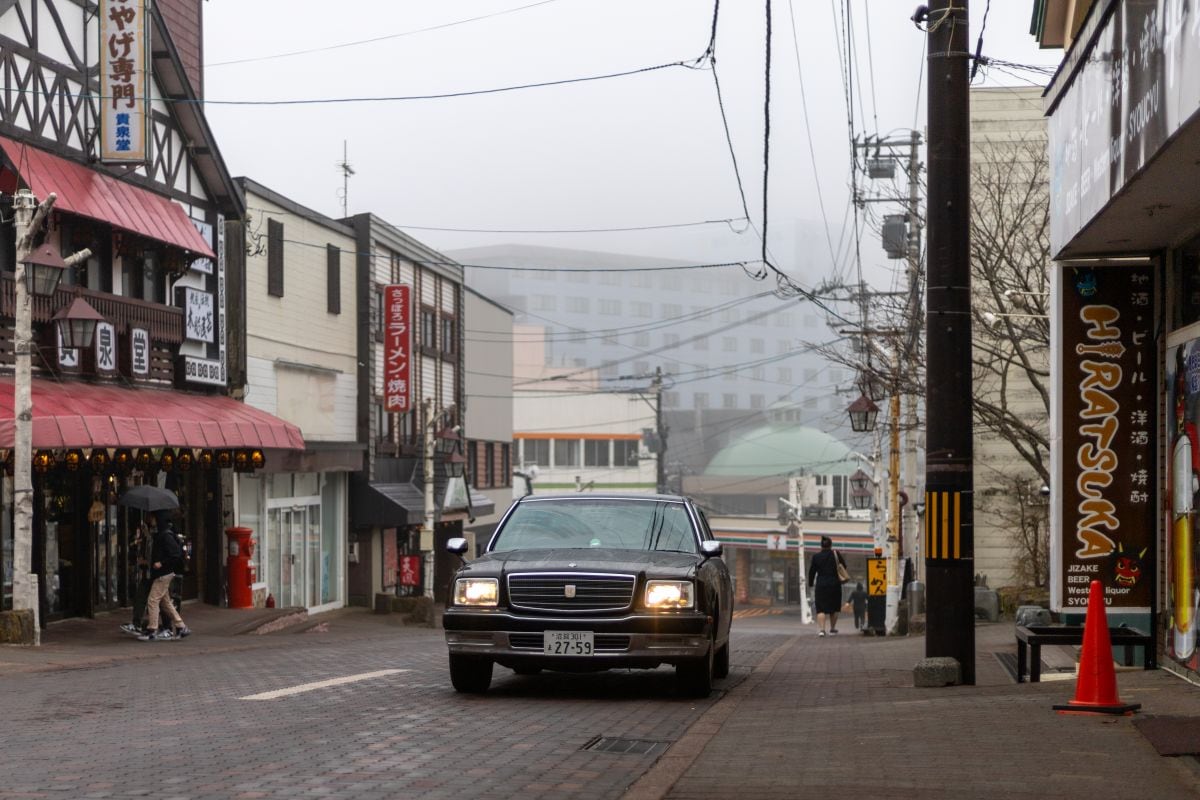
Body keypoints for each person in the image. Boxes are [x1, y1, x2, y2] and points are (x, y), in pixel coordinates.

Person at [138, 514, 191, 641]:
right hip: (162, 573)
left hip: (163, 573)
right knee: (165, 602)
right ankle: (181, 627)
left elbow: (175, 554)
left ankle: (152, 630)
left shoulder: (166, 536)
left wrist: (161, 563)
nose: (151, 521)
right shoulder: (160, 535)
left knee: (152, 600)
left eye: (153, 518)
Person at [119, 517, 154, 636]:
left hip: (153, 574)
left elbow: (151, 558)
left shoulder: (152, 539)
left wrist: (143, 562)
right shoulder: (146, 539)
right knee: (143, 597)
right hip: (149, 574)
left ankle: (148, 625)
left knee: (153, 600)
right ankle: (140, 623)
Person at [807, 535, 847, 636]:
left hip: (821, 584)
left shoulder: (816, 557)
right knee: (834, 607)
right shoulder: (836, 554)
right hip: (835, 584)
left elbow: (812, 572)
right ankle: (832, 629)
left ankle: (821, 630)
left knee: (820, 608)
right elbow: (844, 566)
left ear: (821, 546)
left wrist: (811, 583)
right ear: (831, 545)